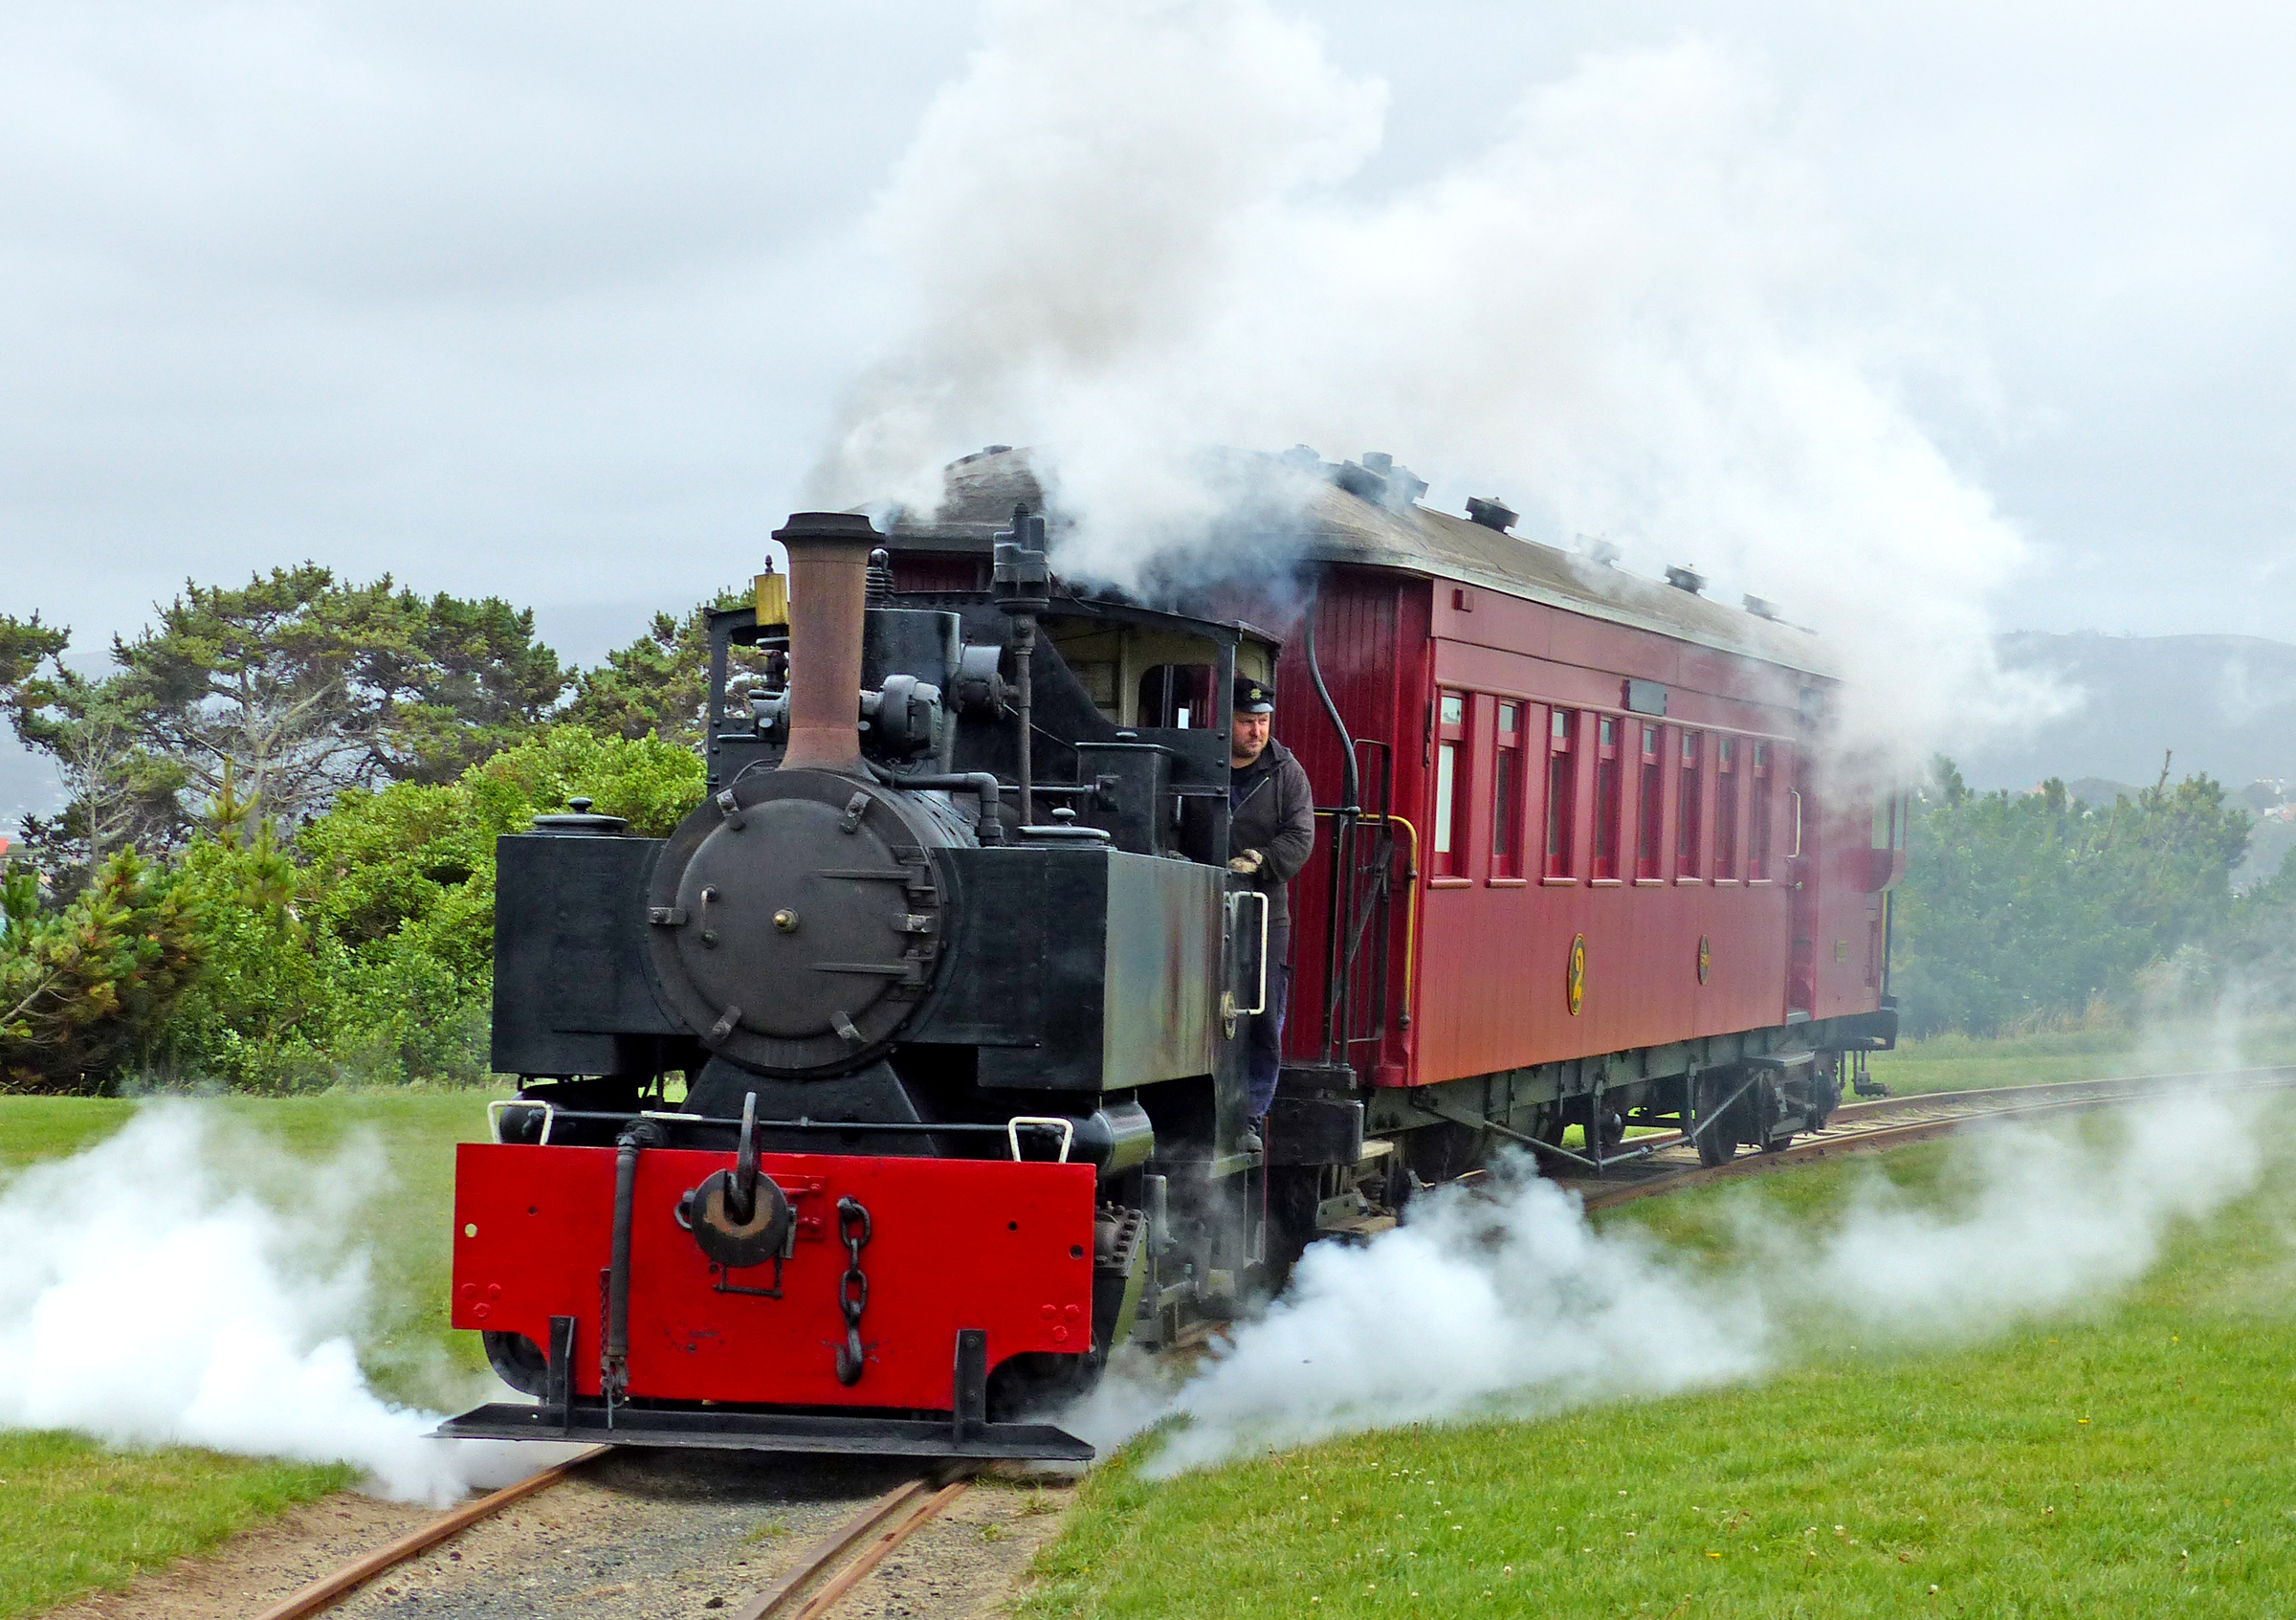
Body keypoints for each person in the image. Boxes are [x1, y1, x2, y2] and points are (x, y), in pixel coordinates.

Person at [1225, 675, 1315, 1153]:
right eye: (1246, 722)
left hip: (1263, 914)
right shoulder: (1204, 762)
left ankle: (1253, 1113)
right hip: (1197, 903)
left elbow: (1301, 837)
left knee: (1261, 1014)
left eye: (1262, 722)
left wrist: (1262, 860)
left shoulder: (1287, 773)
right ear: (1228, 722)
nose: (1256, 732)